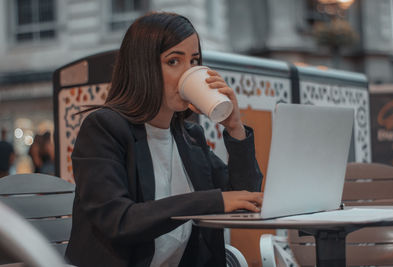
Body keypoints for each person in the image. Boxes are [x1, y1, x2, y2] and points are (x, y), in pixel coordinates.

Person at [65, 12, 263, 267]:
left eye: (194, 61)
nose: (188, 72)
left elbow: (245, 199)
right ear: (142, 67)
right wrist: (213, 201)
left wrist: (235, 127)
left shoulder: (189, 136)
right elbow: (119, 220)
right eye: (173, 61)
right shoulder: (104, 128)